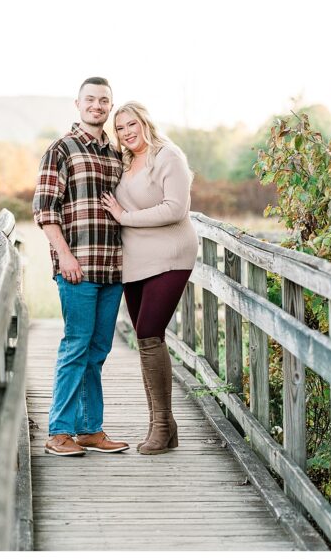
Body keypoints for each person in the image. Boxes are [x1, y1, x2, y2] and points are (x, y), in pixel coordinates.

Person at [32, 77, 128, 457]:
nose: (97, 106)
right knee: (75, 346)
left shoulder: (115, 154)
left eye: (104, 101)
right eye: (90, 99)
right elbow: (44, 209)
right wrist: (65, 255)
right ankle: (59, 430)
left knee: (98, 349)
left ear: (109, 106)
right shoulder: (61, 150)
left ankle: (90, 429)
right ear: (78, 103)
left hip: (113, 268)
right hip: (78, 267)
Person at [100, 101, 197, 455]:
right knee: (145, 340)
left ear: (144, 122)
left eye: (131, 124)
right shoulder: (125, 162)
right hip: (136, 260)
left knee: (150, 335)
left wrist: (125, 217)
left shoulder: (167, 156)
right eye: (120, 127)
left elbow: (176, 209)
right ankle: (163, 425)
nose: (127, 132)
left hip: (170, 255)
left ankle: (161, 426)